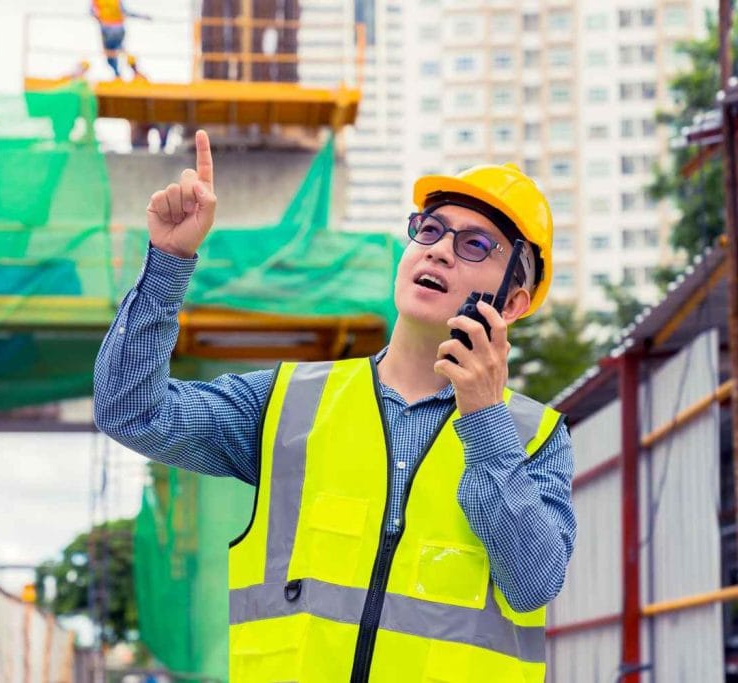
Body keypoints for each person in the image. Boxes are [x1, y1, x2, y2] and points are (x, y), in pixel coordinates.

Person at [94, 130, 576, 682]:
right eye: (431, 229)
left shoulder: (533, 436)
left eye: (474, 245)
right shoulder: (290, 403)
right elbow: (132, 410)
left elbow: (533, 582)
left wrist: (485, 420)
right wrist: (168, 263)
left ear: (513, 302)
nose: (439, 248)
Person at [90, 0, 151, 78]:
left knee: (111, 54)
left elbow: (93, 13)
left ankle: (117, 74)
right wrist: (143, 16)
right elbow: (126, 12)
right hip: (118, 29)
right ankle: (134, 70)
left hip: (107, 29)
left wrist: (101, 20)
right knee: (121, 49)